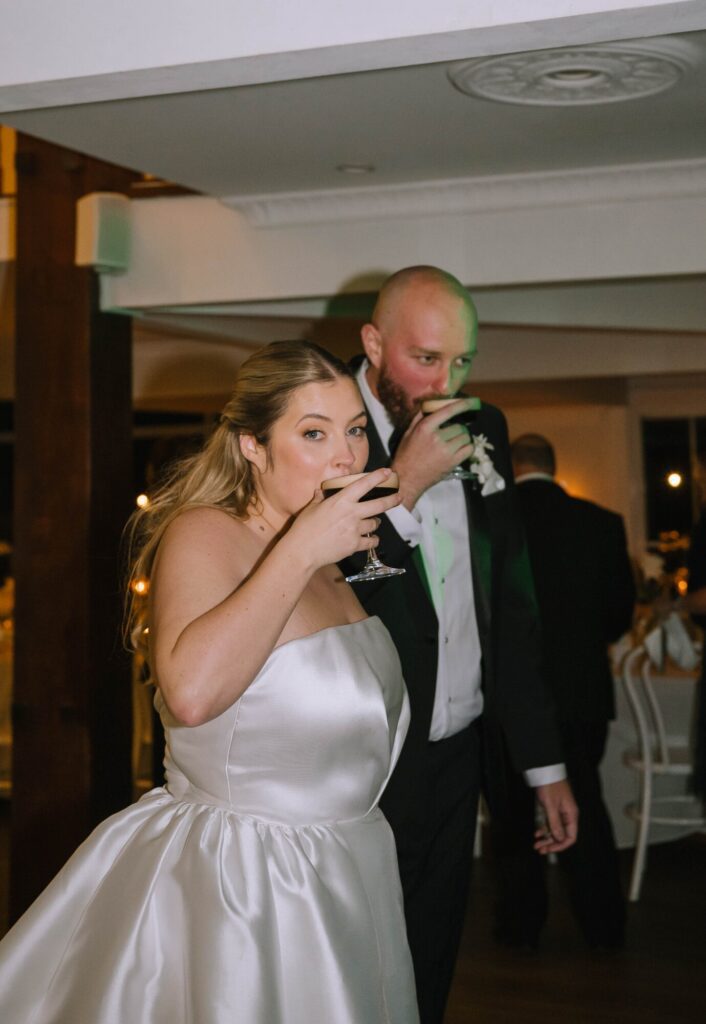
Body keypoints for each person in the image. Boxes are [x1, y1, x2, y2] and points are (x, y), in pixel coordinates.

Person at [0, 341, 419, 1024]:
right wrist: (302, 549)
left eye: (354, 430)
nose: (347, 457)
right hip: (244, 881)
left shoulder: (330, 560)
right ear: (254, 445)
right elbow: (191, 696)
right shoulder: (205, 533)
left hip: (347, 864)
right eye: (314, 434)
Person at [345, 266, 578, 1023]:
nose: (447, 385)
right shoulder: (320, 428)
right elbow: (318, 589)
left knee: (431, 960)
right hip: (360, 763)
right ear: (373, 343)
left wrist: (543, 763)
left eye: (463, 361)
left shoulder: (486, 429)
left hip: (458, 753)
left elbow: (510, 602)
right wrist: (404, 486)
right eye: (425, 359)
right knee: (350, 968)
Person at [490, 433, 635, 951]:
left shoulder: (492, 521)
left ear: (512, 466)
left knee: (512, 811)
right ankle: (603, 926)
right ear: (553, 467)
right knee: (586, 800)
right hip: (581, 692)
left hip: (507, 696)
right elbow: (619, 617)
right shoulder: (602, 523)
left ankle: (520, 925)